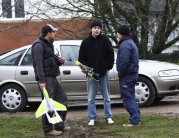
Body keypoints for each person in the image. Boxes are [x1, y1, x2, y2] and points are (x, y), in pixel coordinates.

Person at [31, 24, 69, 136]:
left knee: (62, 99)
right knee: (48, 104)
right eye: (54, 32)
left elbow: (49, 61)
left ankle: (59, 125)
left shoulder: (49, 44)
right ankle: (48, 129)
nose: (55, 34)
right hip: (46, 79)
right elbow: (38, 64)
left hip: (53, 78)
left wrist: (59, 62)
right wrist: (42, 81)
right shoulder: (38, 45)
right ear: (49, 33)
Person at [78, 19, 115, 126]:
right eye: (95, 28)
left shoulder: (106, 40)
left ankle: (108, 117)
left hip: (103, 73)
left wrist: (108, 67)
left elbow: (110, 55)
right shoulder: (85, 42)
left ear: (100, 29)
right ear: (91, 29)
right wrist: (85, 68)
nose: (96, 30)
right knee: (91, 98)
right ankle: (92, 118)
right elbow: (81, 58)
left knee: (106, 97)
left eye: (98, 28)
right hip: (91, 74)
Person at [116, 25, 141, 127]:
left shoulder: (125, 45)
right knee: (130, 97)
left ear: (121, 33)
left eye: (117, 32)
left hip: (127, 76)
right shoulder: (130, 43)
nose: (117, 34)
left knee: (128, 98)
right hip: (131, 74)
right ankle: (136, 118)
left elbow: (124, 62)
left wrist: (120, 74)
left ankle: (134, 121)